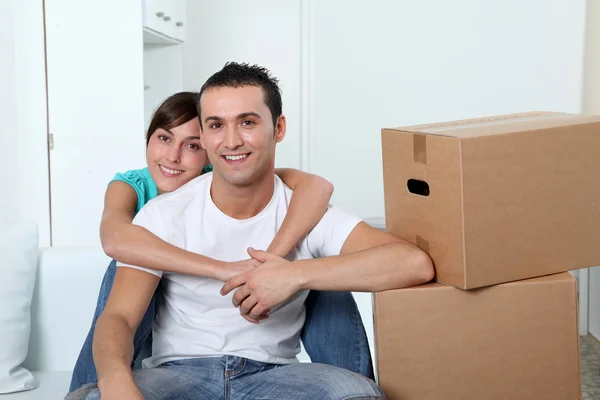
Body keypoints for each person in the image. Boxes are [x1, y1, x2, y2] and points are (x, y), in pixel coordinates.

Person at [69, 62, 434, 400]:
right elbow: (118, 316)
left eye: (247, 122)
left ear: (278, 128)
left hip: (276, 377)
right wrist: (116, 381)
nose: (231, 141)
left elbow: (413, 263)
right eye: (216, 125)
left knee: (356, 394)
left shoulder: (306, 214)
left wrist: (292, 275)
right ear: (206, 136)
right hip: (178, 374)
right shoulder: (163, 214)